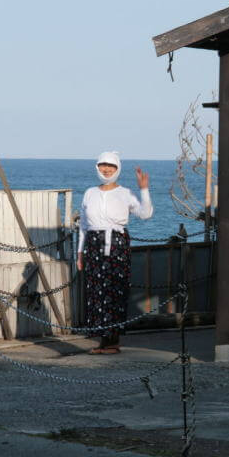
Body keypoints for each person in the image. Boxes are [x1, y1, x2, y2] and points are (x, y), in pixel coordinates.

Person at [77, 151, 153, 354]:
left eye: (111, 166)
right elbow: (83, 225)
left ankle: (113, 341)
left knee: (115, 290)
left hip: (117, 243)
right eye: (103, 165)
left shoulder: (125, 193)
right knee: (96, 292)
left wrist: (144, 189)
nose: (107, 169)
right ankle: (102, 340)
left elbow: (146, 214)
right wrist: (80, 253)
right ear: (97, 167)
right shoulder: (90, 193)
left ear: (117, 168)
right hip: (93, 244)